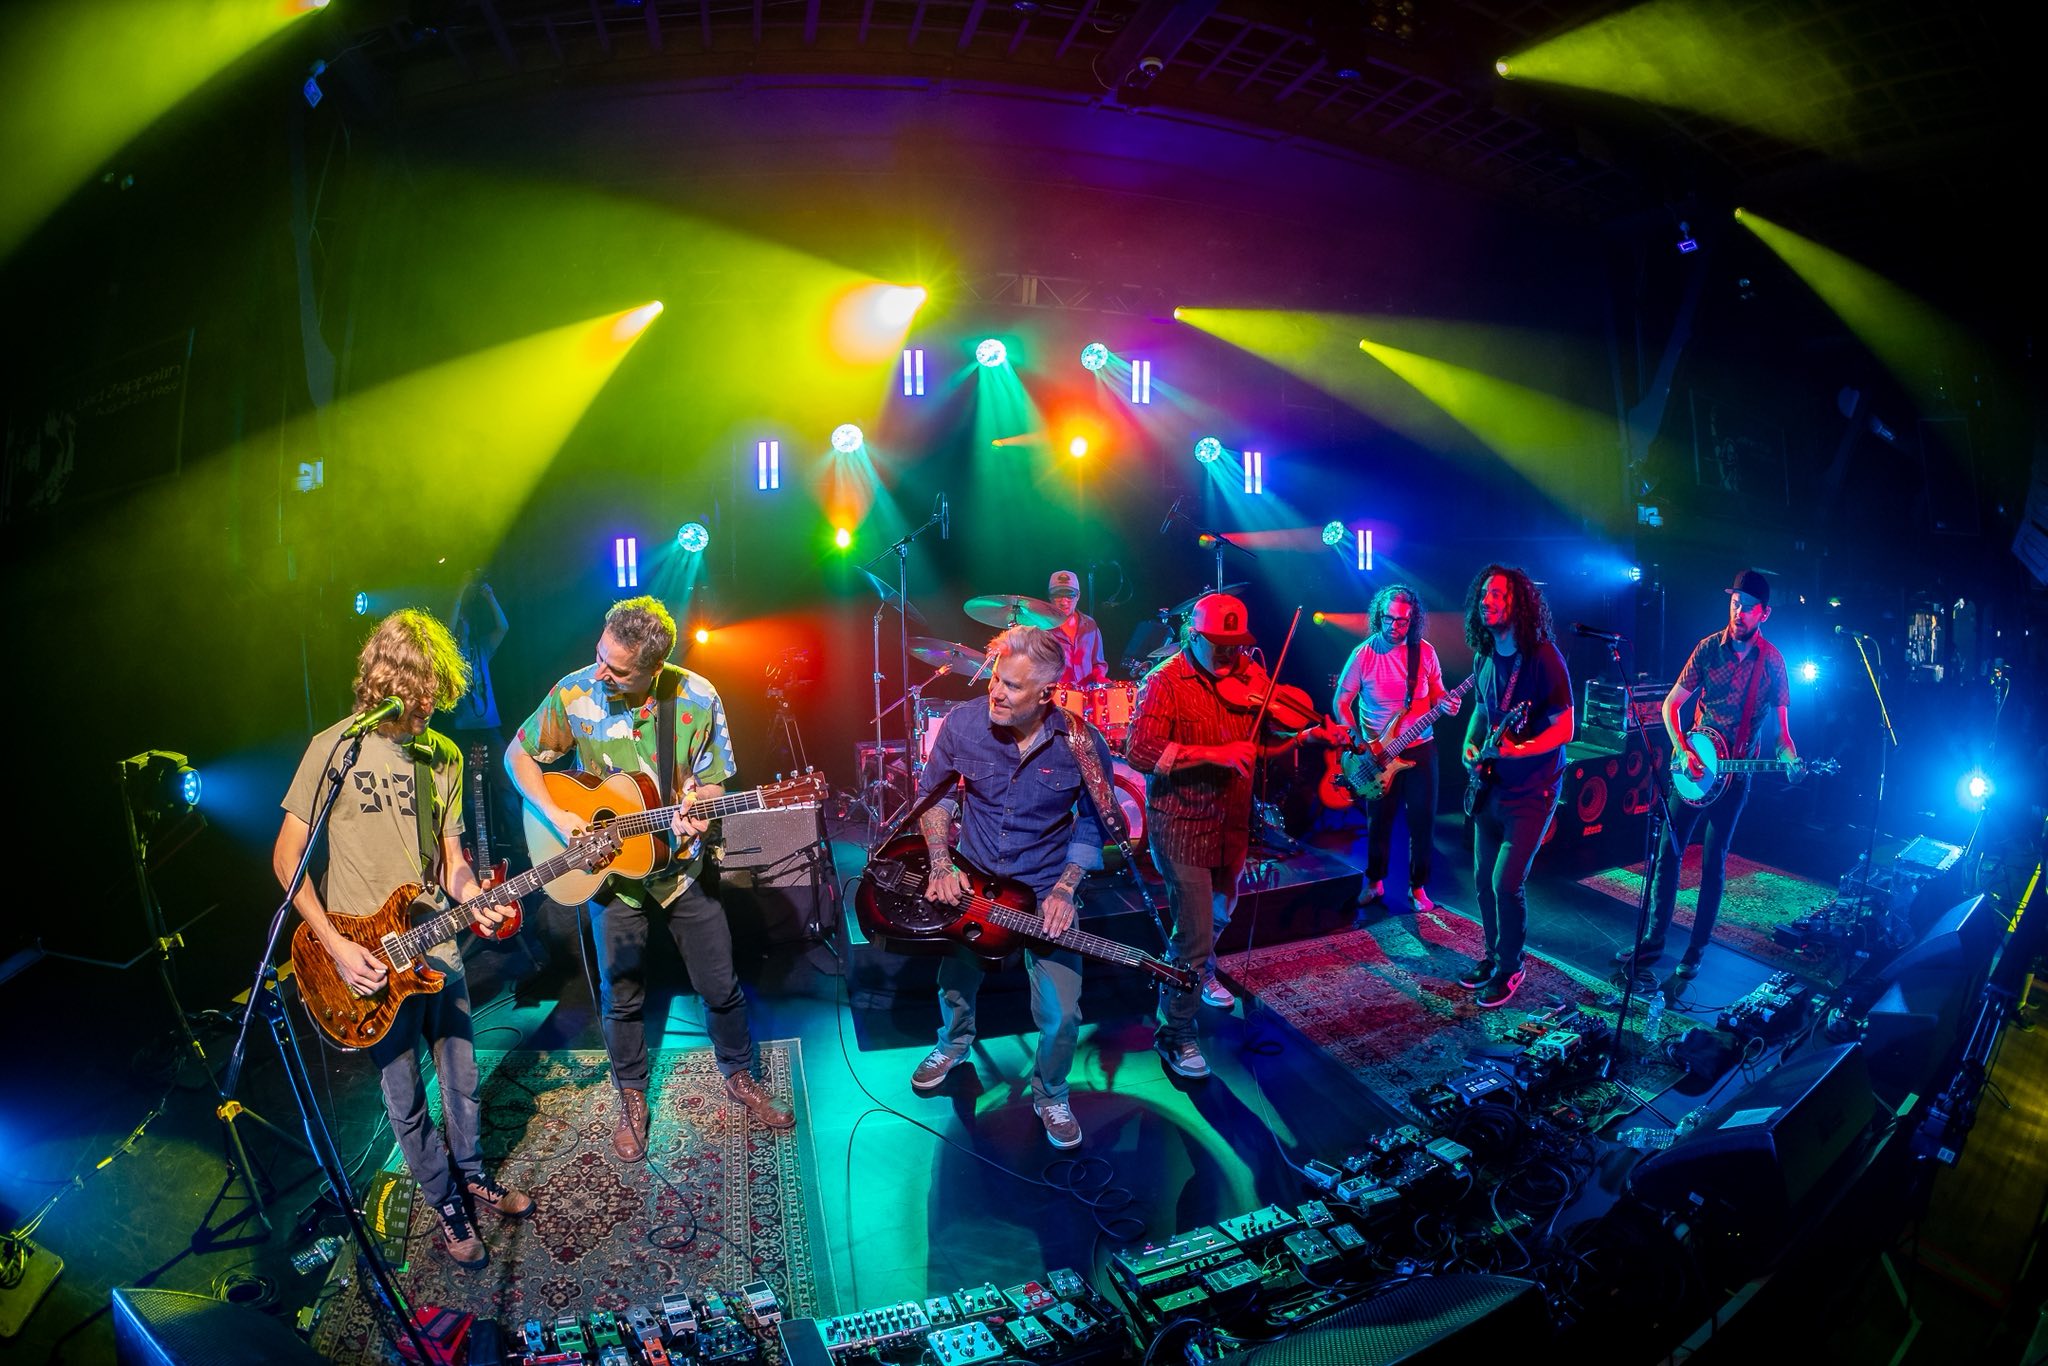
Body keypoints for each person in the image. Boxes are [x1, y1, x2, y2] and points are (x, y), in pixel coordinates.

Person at [274, 610, 530, 1271]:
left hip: (434, 943)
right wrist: (335, 945)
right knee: (404, 1094)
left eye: (435, 699)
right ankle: (445, 1202)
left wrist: (476, 901)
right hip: (365, 960)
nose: (428, 711)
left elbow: (452, 862)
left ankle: (472, 1174)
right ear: (389, 682)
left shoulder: (442, 755)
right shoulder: (334, 749)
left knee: (462, 1076)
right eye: (420, 699)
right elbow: (286, 859)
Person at [505, 596, 793, 1162]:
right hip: (611, 876)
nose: (599, 673)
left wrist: (701, 807)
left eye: (615, 669)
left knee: (720, 984)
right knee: (620, 996)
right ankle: (632, 1096)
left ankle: (739, 1074)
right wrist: (556, 817)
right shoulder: (575, 692)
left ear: (653, 668)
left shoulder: (698, 697)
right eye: (599, 655)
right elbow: (519, 755)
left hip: (681, 868)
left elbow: (713, 783)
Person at [907, 625, 1114, 1150]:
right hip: (974, 882)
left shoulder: (1083, 743)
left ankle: (1052, 1094)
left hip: (1045, 889)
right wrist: (940, 862)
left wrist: (1065, 889)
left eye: (1012, 686)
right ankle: (953, 1044)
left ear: (1046, 693)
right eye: (996, 678)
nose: (996, 692)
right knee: (956, 983)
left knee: (1062, 1014)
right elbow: (935, 797)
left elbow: (1093, 822)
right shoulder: (963, 723)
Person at [1125, 592, 1323, 1074]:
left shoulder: (1247, 680)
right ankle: (1176, 1033)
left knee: (1215, 919)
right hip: (1182, 826)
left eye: (1237, 645)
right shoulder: (1164, 681)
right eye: (1220, 644)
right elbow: (1140, 751)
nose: (1231, 654)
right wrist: (1214, 754)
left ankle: (1198, 971)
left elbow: (1258, 753)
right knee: (1194, 936)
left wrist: (1305, 736)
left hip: (1231, 824)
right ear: (1194, 636)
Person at [1615, 569, 1800, 980]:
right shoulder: (1707, 649)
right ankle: (1653, 941)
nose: (1739, 612)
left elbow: (1783, 736)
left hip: (1734, 778)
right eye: (1735, 603)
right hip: (1694, 769)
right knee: (1668, 852)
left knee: (1714, 863)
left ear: (1764, 613)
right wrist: (1682, 749)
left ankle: (1696, 950)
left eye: (1748, 607)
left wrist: (1790, 758)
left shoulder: (1772, 663)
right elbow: (1670, 706)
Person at [1458, 567, 1574, 1008]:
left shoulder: (1544, 658)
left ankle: (1512, 966)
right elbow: (1483, 710)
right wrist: (1470, 745)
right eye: (1483, 594)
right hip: (1491, 787)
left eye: (1497, 595)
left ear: (1518, 604)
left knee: (1506, 883)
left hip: (1532, 791)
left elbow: (1565, 727)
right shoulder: (1485, 657)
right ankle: (1493, 956)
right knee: (1482, 881)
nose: (1486, 601)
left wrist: (1519, 750)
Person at [1331, 584, 1461, 913]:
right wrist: (1358, 741)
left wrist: (1447, 703)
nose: (1394, 626)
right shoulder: (1363, 654)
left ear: (1412, 619)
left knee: (1422, 821)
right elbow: (1341, 702)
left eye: (1402, 621)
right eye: (1388, 619)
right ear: (1379, 616)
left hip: (1420, 748)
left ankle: (1418, 888)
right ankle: (1374, 882)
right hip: (1376, 754)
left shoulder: (1425, 652)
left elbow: (1438, 693)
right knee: (1379, 822)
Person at [1047, 570, 1110, 687]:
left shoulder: (1090, 625)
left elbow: (1098, 664)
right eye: (1058, 595)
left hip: (1086, 694)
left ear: (1078, 596)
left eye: (1069, 595)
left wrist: (1100, 677)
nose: (1064, 602)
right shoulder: (1042, 628)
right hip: (1056, 694)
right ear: (1050, 597)